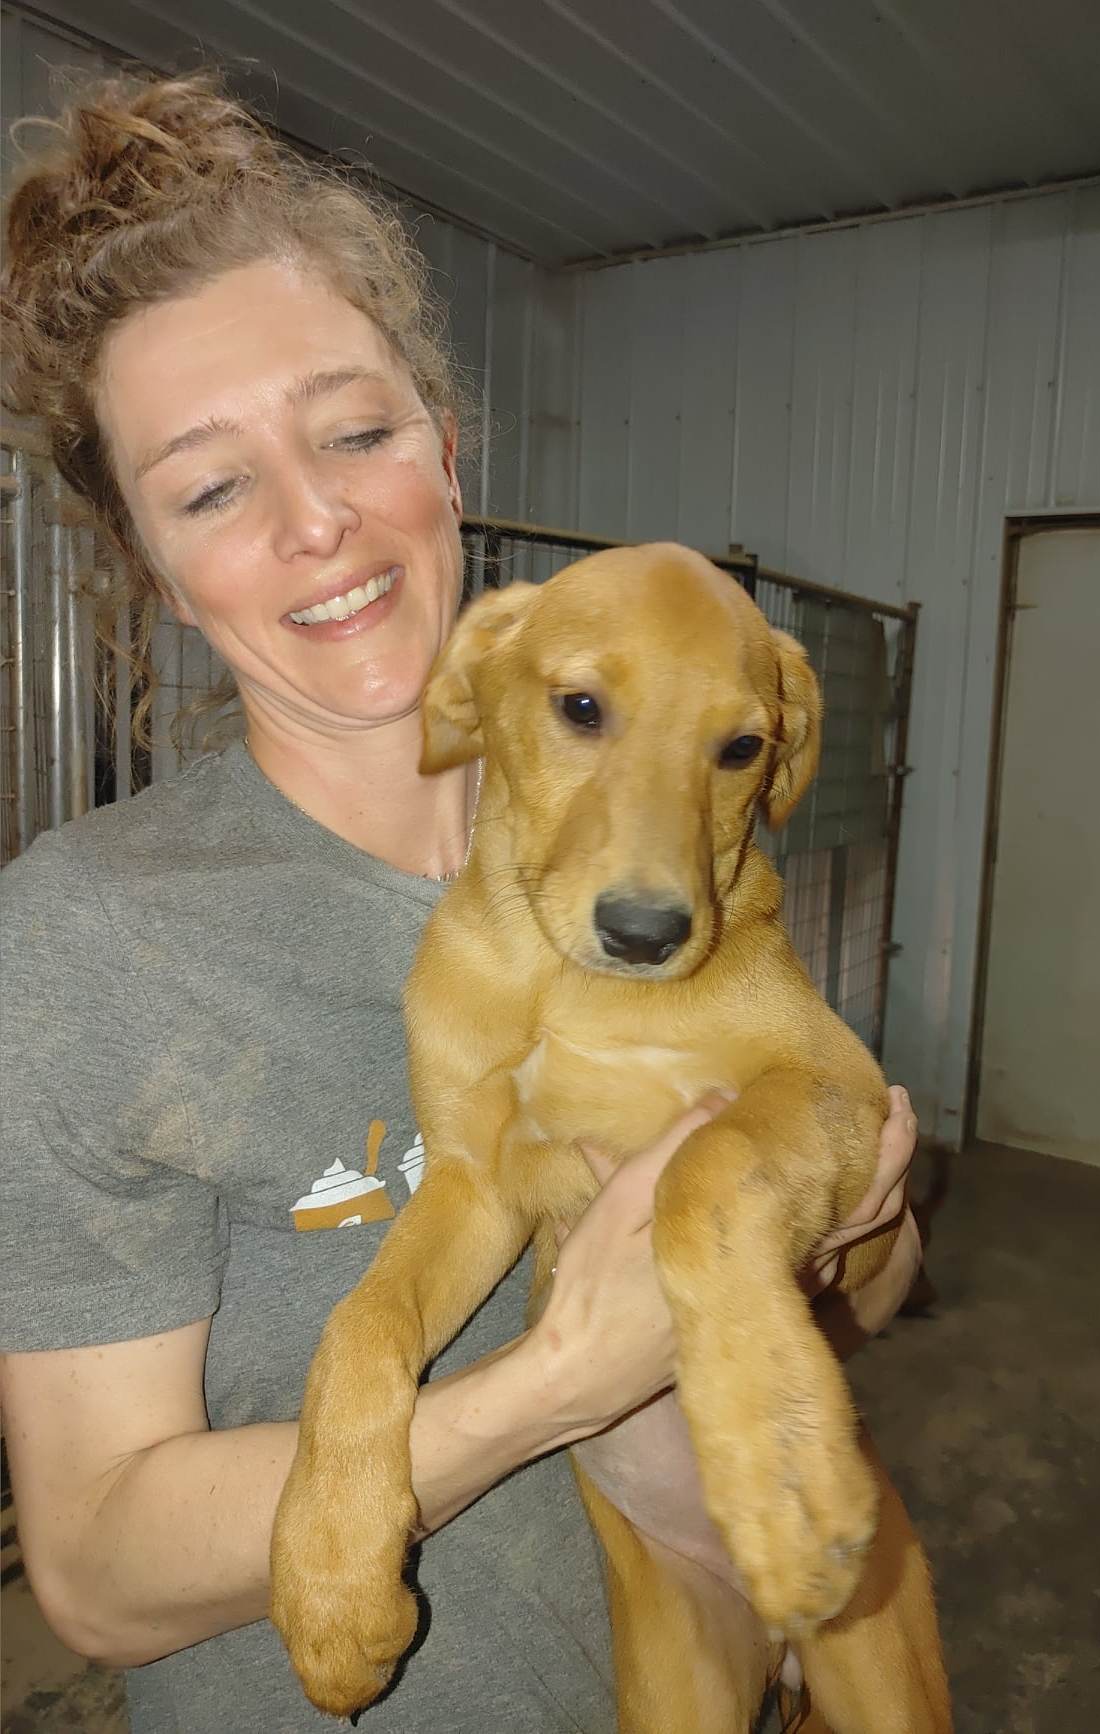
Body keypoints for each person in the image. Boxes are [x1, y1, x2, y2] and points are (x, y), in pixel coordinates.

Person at [0, 72, 924, 1734]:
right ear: (147, 560)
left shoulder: (661, 857)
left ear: (442, 436)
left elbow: (863, 1283)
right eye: (212, 488)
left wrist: (848, 1224)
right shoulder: (85, 943)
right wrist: (554, 1381)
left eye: (355, 432)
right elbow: (88, 1576)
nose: (316, 522)